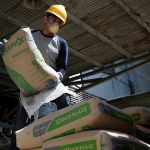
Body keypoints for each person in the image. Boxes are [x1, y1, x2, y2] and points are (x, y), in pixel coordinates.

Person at [0, 4, 71, 150]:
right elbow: (14, 49)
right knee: (19, 132)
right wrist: (4, 48)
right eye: (53, 19)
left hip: (49, 89)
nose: (56, 24)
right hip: (28, 91)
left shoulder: (61, 43)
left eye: (59, 22)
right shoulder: (30, 36)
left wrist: (57, 77)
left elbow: (62, 68)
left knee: (53, 121)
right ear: (45, 18)